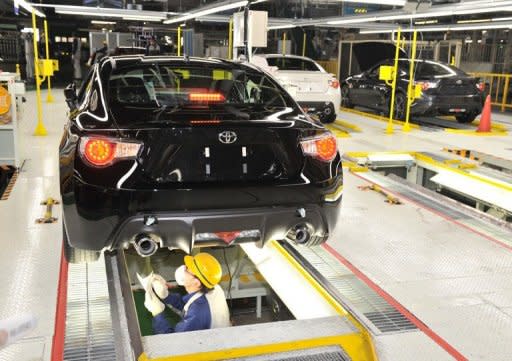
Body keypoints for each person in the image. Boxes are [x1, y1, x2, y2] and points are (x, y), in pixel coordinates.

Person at [144, 252, 231, 334]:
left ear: (196, 282)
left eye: (187, 269)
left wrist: (157, 313)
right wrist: (166, 296)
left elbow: (173, 343)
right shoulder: (214, 287)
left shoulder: (196, 315)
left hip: (210, 348)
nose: (183, 269)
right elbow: (188, 304)